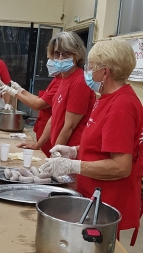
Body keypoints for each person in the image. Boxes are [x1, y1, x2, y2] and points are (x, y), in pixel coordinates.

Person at [41, 39, 143, 245]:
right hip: (91, 194)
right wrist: (74, 150)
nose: (87, 71)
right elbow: (100, 145)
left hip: (105, 201)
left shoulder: (121, 106)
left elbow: (121, 167)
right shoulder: (104, 98)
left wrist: (73, 165)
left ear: (105, 73)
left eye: (91, 67)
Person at [0, 31, 96, 155]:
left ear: (76, 55)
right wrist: (37, 145)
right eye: (56, 53)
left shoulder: (79, 82)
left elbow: (69, 126)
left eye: (65, 54)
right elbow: (54, 118)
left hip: (70, 152)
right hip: (59, 147)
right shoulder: (63, 79)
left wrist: (55, 155)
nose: (60, 58)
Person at [0, 58, 61, 156]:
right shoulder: (56, 80)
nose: (49, 62)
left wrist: (15, 93)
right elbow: (39, 99)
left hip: (50, 136)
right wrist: (21, 90)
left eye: (53, 57)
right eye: (49, 58)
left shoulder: (61, 83)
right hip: (43, 133)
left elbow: (37, 105)